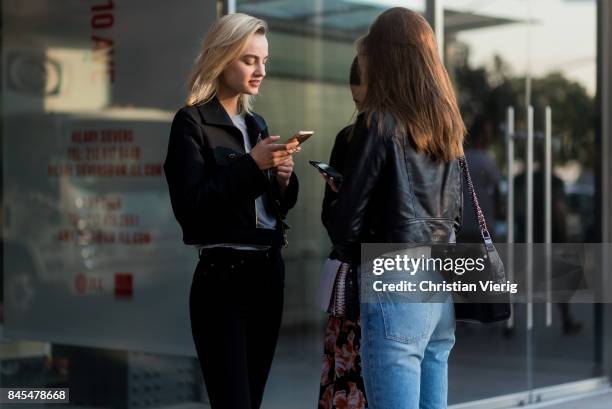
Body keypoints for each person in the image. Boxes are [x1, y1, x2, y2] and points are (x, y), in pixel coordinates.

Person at [327, 8, 464, 409]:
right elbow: (452, 213)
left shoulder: (378, 122)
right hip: (441, 279)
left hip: (394, 276)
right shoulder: (446, 123)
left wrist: (338, 193)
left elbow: (345, 225)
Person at [163, 13, 299, 409]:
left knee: (252, 399)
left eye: (265, 60)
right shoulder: (191, 123)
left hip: (268, 273)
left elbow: (274, 207)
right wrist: (252, 166)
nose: (261, 70)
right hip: (222, 279)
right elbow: (191, 208)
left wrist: (283, 179)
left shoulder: (257, 124)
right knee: (232, 401)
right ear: (222, 59)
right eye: (249, 60)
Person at [318, 56, 368, 409]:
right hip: (354, 286)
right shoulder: (349, 138)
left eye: (367, 101)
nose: (362, 112)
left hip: (386, 284)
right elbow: (332, 219)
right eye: (356, 103)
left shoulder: (410, 137)